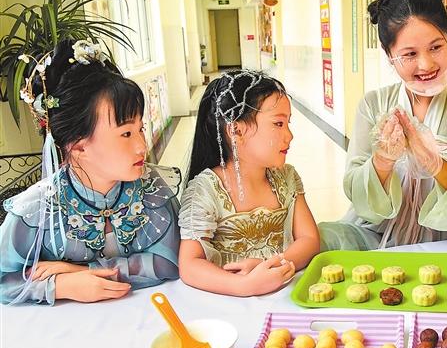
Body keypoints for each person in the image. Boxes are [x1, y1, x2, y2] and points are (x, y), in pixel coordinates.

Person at [319, 0, 447, 250]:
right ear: (389, 54)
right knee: (319, 243)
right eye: (409, 54)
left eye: (436, 47)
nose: (426, 64)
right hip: (375, 235)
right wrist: (382, 160)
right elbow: (355, 188)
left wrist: (435, 164)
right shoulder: (373, 104)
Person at [0, 39, 181, 305]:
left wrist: (82, 272)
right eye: (126, 133)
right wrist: (61, 286)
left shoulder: (152, 188)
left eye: (140, 129)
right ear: (79, 147)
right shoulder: (36, 209)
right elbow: (5, 280)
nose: (142, 146)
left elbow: (169, 262)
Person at [178, 70, 319, 296]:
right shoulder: (206, 190)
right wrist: (244, 286)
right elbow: (190, 265)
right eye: (278, 124)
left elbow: (309, 239)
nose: (289, 135)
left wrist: (276, 263)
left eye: (288, 123)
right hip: (228, 304)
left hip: (286, 294)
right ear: (236, 130)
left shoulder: (287, 178)